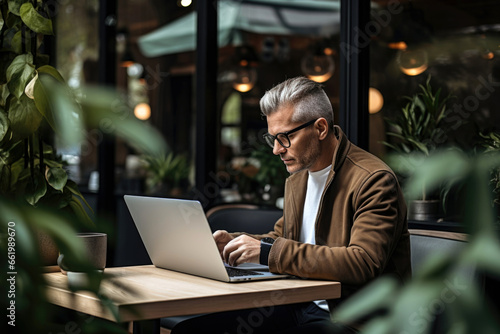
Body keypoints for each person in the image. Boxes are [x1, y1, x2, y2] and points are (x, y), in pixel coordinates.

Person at [171, 76, 411, 334]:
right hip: (296, 303)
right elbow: (281, 239)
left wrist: (264, 252)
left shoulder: (373, 180)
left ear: (320, 128)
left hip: (351, 319)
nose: (276, 149)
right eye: (273, 138)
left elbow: (362, 262)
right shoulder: (298, 178)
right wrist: (238, 242)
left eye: (285, 137)